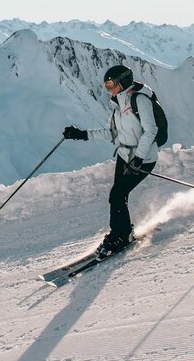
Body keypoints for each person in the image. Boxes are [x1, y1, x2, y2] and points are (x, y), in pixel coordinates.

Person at [63, 64, 159, 257]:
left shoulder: (140, 100)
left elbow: (151, 131)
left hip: (144, 158)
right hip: (125, 157)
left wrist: (139, 158)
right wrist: (80, 134)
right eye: (107, 85)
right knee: (117, 196)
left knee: (117, 195)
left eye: (111, 84)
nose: (108, 88)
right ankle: (122, 232)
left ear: (122, 81)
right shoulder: (117, 105)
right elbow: (111, 133)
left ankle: (121, 235)